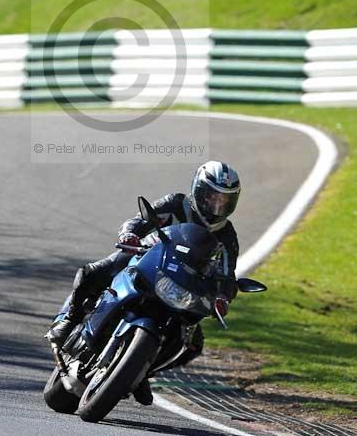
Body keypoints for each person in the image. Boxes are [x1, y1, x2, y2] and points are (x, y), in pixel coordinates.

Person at [47, 160, 241, 406]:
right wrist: (130, 234)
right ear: (198, 190)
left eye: (224, 200)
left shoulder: (227, 234)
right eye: (212, 196)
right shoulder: (175, 203)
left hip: (183, 285)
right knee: (93, 272)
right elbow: (138, 220)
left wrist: (223, 296)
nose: (216, 204)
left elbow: (227, 273)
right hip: (146, 257)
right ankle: (70, 318)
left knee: (193, 344)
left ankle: (142, 371)